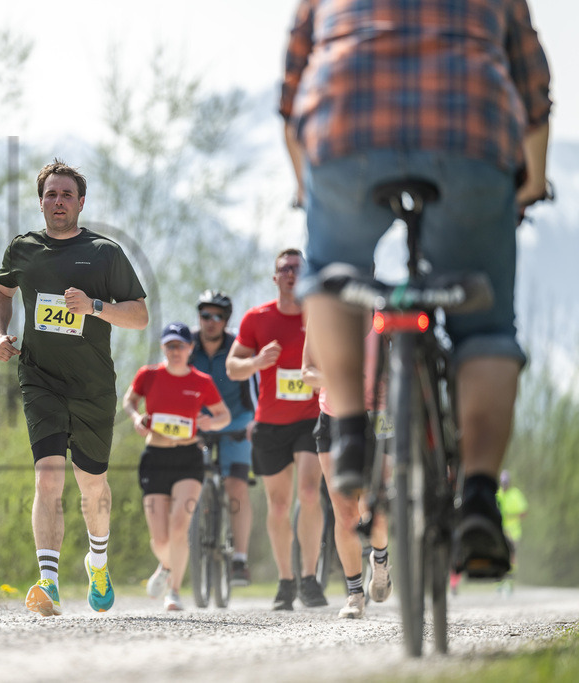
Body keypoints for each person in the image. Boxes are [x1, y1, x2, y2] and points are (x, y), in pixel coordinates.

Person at [280, 0, 551, 580]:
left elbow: (290, 92)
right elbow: (534, 93)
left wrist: (309, 188)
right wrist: (528, 186)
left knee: (329, 270)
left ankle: (350, 431)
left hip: (347, 128)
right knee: (486, 327)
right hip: (470, 136)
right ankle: (478, 496)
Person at [0, 158, 148, 616]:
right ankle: (49, 582)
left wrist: (95, 306)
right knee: (48, 475)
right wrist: (0, 334)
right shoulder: (23, 249)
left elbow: (139, 315)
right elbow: (1, 293)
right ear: (40, 202)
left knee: (92, 487)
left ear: (81, 202)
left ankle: (97, 563)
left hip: (93, 386)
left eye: (66, 195)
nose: (58, 202)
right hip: (40, 378)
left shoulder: (104, 253)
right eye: (50, 194)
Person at [225, 249, 326, 610]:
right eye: (284, 268)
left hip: (311, 418)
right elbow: (232, 367)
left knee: (310, 494)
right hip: (270, 424)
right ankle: (286, 581)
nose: (291, 274)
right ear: (275, 277)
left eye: (298, 268)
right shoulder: (257, 318)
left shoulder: (319, 315)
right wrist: (256, 361)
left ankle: (310, 578)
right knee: (279, 506)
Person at [123, 322, 230, 611]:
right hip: (155, 458)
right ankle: (168, 566)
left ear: (190, 348)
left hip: (188, 459)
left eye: (180, 345)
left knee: (179, 527)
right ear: (163, 348)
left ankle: (174, 592)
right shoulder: (149, 375)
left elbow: (224, 416)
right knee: (160, 538)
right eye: (170, 345)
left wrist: (212, 422)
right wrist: (136, 418)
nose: (175, 351)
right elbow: (129, 401)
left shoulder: (202, 381)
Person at [302, 319, 392, 619]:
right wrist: (338, 378)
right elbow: (307, 372)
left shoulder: (383, 323)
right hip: (334, 420)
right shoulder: (324, 318)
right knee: (344, 513)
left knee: (373, 509)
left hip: (377, 417)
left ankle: (380, 563)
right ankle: (355, 594)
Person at [189, 290, 256, 586]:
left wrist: (256, 422)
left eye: (218, 316)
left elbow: (256, 387)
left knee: (236, 486)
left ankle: (239, 560)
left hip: (238, 421)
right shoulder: (186, 346)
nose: (211, 321)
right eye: (206, 315)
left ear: (226, 321)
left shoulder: (238, 346)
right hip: (198, 420)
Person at [496, 469, 528, 594]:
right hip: (500, 531)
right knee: (499, 555)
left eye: (506, 483)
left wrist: (512, 516)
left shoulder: (516, 494)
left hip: (514, 532)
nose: (504, 485)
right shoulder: (497, 494)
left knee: (511, 556)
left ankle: (509, 582)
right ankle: (499, 582)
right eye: (503, 483)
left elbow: (524, 512)